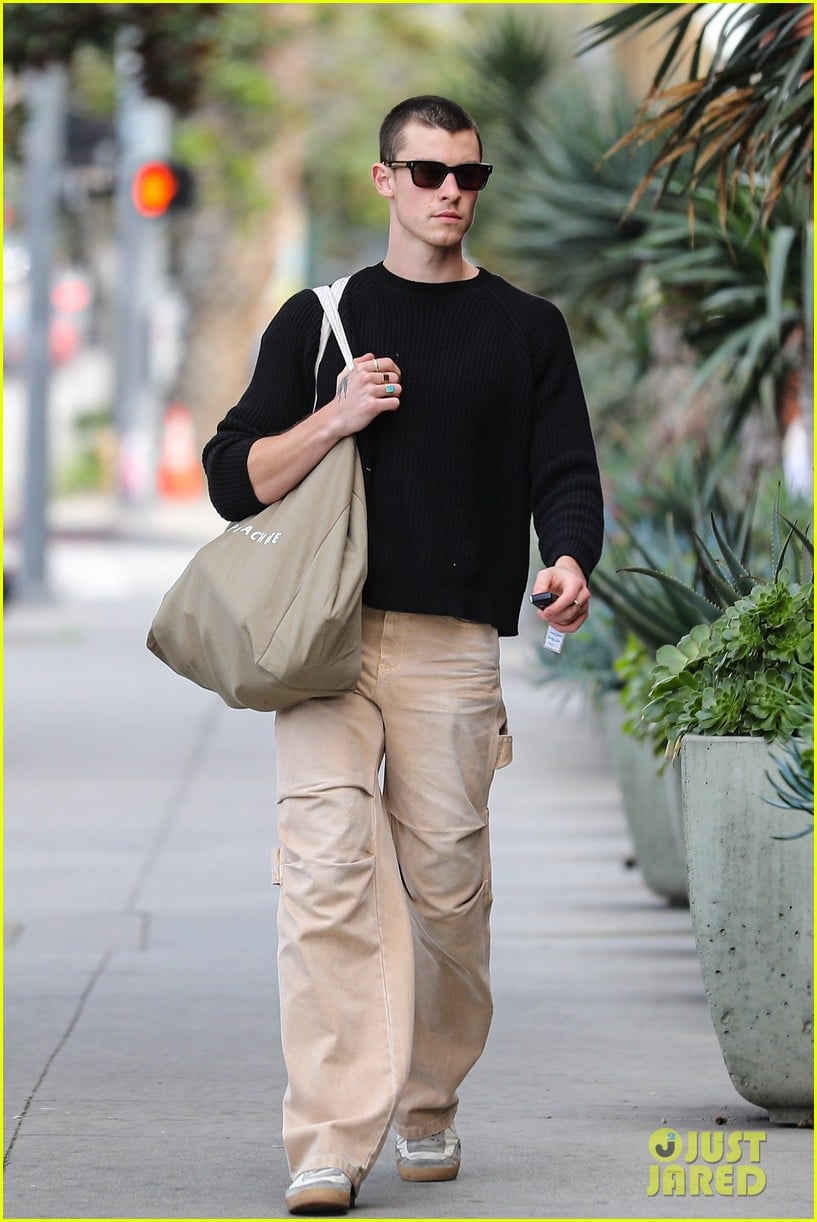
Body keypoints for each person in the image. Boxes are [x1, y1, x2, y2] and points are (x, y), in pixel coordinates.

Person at [202, 95, 604, 1215]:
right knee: (324, 882)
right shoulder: (318, 321)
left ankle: (427, 1099)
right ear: (384, 180)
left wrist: (569, 555)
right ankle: (328, 1137)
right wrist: (334, 417)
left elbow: (564, 470)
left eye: (468, 178)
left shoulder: (526, 328)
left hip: (452, 648)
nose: (448, 196)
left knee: (448, 901)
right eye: (427, 174)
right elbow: (234, 477)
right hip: (324, 644)